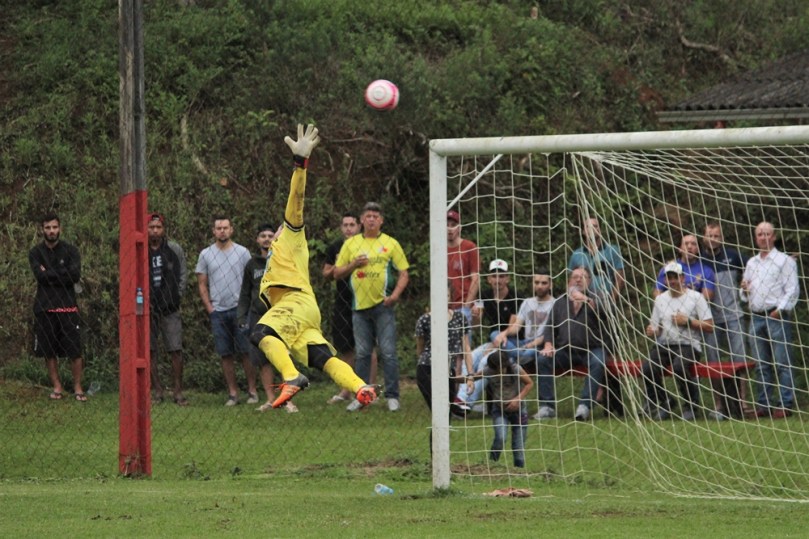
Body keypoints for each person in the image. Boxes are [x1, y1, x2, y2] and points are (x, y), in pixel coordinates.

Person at [250, 123, 377, 410]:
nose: (276, 232)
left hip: (295, 303)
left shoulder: (291, 236)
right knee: (324, 358)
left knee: (260, 333)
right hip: (303, 311)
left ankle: (292, 377)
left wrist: (300, 163)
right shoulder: (276, 254)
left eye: (278, 229)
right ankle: (360, 387)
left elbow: (296, 201)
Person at [334, 201, 410, 412]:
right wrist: (353, 265)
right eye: (368, 216)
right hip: (359, 308)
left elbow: (404, 273)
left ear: (381, 221)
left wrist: (395, 296)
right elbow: (336, 273)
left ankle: (393, 396)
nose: (371, 220)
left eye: (375, 217)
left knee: (388, 352)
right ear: (361, 220)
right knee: (363, 353)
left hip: (383, 306)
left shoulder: (390, 243)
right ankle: (362, 396)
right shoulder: (351, 244)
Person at [195, 215, 257, 406]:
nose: (222, 231)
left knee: (246, 351)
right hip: (218, 312)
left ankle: (252, 391)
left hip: (240, 310)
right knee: (225, 353)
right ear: (214, 231)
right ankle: (233, 393)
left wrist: (247, 305)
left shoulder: (242, 252)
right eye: (219, 228)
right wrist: (210, 309)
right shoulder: (206, 254)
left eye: (225, 227)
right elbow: (202, 283)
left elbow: (251, 280)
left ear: (231, 230)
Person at [740, 221, 800, 418]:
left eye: (767, 234)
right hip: (756, 318)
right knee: (761, 364)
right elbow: (744, 293)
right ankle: (764, 404)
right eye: (760, 234)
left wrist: (780, 310)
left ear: (774, 237)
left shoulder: (784, 261)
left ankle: (784, 404)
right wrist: (744, 290)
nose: (763, 237)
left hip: (776, 316)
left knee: (783, 362)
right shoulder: (752, 263)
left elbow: (792, 290)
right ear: (755, 237)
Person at [237, 223, 298, 413]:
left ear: (276, 238)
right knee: (262, 359)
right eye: (262, 236)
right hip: (258, 318)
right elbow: (245, 293)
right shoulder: (252, 265)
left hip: (280, 316)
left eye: (270, 236)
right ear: (257, 240)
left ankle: (288, 400)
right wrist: (241, 316)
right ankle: (271, 399)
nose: (266, 239)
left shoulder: (283, 260)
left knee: (284, 358)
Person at [643, 261, 714, 421]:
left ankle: (691, 405)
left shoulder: (696, 297)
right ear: (665, 280)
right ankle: (666, 401)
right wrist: (653, 331)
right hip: (665, 345)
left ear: (682, 278)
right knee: (647, 368)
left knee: (679, 367)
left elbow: (710, 326)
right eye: (669, 278)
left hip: (689, 345)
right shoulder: (660, 299)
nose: (672, 281)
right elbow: (655, 327)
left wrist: (688, 321)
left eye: (675, 277)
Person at [321, 212, 377, 405]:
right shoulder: (335, 247)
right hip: (343, 301)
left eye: (352, 225)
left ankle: (370, 388)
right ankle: (346, 389)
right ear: (340, 227)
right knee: (345, 347)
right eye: (345, 225)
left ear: (359, 226)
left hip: (365, 300)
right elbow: (327, 273)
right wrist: (343, 266)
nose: (348, 228)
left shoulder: (369, 245)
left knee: (368, 347)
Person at [29, 212, 85, 401]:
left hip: (68, 307)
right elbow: (40, 276)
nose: (51, 231)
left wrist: (50, 273)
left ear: (60, 228)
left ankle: (77, 387)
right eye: (48, 227)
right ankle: (57, 386)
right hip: (45, 307)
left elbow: (74, 275)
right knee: (49, 350)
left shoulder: (71, 251)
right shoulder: (35, 253)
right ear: (42, 229)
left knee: (74, 350)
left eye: (54, 227)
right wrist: (62, 273)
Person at [536, 266, 605, 421]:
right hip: (566, 351)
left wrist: (586, 300)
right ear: (569, 281)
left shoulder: (598, 297)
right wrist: (548, 344)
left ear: (589, 281)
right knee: (543, 359)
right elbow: (550, 327)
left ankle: (584, 406)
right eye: (575, 277)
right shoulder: (560, 302)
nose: (578, 280)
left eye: (583, 277)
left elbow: (607, 313)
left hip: (591, 349)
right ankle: (547, 407)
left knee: (598, 362)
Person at [455, 258, 520, 411]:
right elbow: (477, 325)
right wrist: (475, 316)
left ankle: (466, 402)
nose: (498, 280)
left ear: (508, 278)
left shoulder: (516, 296)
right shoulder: (484, 296)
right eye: (494, 276)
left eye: (502, 276)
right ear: (489, 279)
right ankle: (461, 399)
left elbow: (513, 328)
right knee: (470, 358)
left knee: (486, 362)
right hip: (492, 343)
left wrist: (495, 344)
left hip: (512, 344)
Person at [700, 222, 749, 420]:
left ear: (721, 238)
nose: (713, 239)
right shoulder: (699, 261)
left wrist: (746, 282)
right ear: (703, 237)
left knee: (740, 360)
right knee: (713, 362)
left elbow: (755, 266)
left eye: (716, 236)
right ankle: (719, 404)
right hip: (710, 319)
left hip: (734, 316)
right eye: (709, 235)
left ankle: (742, 403)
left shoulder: (733, 256)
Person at [146, 212, 188, 406]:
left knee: (175, 349)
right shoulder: (141, 250)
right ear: (146, 229)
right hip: (148, 309)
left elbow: (183, 274)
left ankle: (178, 391)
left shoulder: (174, 249)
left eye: (158, 227)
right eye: (151, 227)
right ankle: (158, 391)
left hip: (170, 308)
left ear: (163, 230)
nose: (155, 231)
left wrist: (177, 295)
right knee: (150, 350)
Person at [414, 293, 474, 416]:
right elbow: (420, 349)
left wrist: (470, 375)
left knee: (445, 416)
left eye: (446, 295)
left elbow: (466, 347)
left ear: (450, 297)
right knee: (439, 411)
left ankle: (451, 407)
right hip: (427, 367)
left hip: (448, 369)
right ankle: (452, 407)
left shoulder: (459, 318)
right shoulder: (424, 319)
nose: (443, 298)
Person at [479, 350, 532, 468]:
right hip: (500, 410)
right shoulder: (489, 371)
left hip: (519, 411)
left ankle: (519, 471)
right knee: (500, 437)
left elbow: (529, 383)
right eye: (494, 370)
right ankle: (491, 465)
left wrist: (517, 399)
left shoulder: (516, 369)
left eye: (499, 369)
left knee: (518, 446)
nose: (497, 372)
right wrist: (466, 379)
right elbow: (473, 377)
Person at [491, 270, 554, 369]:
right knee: (494, 334)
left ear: (551, 285)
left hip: (539, 345)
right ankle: (516, 358)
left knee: (527, 353)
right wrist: (504, 334)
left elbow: (549, 334)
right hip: (523, 342)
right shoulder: (527, 302)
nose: (539, 286)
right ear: (532, 284)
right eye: (536, 282)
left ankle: (511, 358)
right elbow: (516, 327)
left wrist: (527, 346)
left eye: (544, 283)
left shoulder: (555, 304)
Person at [568, 217, 624, 302]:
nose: (591, 229)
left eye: (595, 226)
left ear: (600, 230)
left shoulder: (612, 250)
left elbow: (620, 279)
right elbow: (570, 281)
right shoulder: (576, 254)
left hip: (604, 302)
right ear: (583, 231)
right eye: (588, 226)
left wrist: (612, 301)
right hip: (581, 303)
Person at [655, 234, 715, 300]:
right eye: (686, 244)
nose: (689, 247)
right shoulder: (668, 268)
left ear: (698, 249)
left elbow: (707, 297)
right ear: (680, 249)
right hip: (672, 304)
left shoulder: (706, 270)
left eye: (693, 244)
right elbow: (657, 293)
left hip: (695, 305)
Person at [447, 209, 480, 325]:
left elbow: (475, 279)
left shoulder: (469, 247)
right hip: (444, 307)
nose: (450, 228)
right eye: (447, 225)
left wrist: (467, 306)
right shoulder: (439, 248)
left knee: (463, 337)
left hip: (462, 305)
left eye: (453, 225)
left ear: (460, 228)